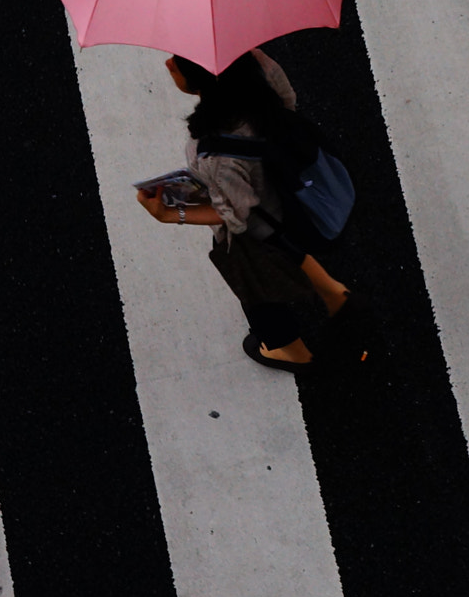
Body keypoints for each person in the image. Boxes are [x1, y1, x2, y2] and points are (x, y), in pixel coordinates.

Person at [134, 48, 354, 372]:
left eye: (178, 63)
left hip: (266, 214)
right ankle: (334, 295)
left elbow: (236, 216)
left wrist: (171, 214)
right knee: (288, 248)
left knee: (247, 270)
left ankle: (287, 349)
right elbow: (288, 99)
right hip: (289, 184)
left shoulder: (214, 153)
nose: (169, 63)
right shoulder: (257, 63)